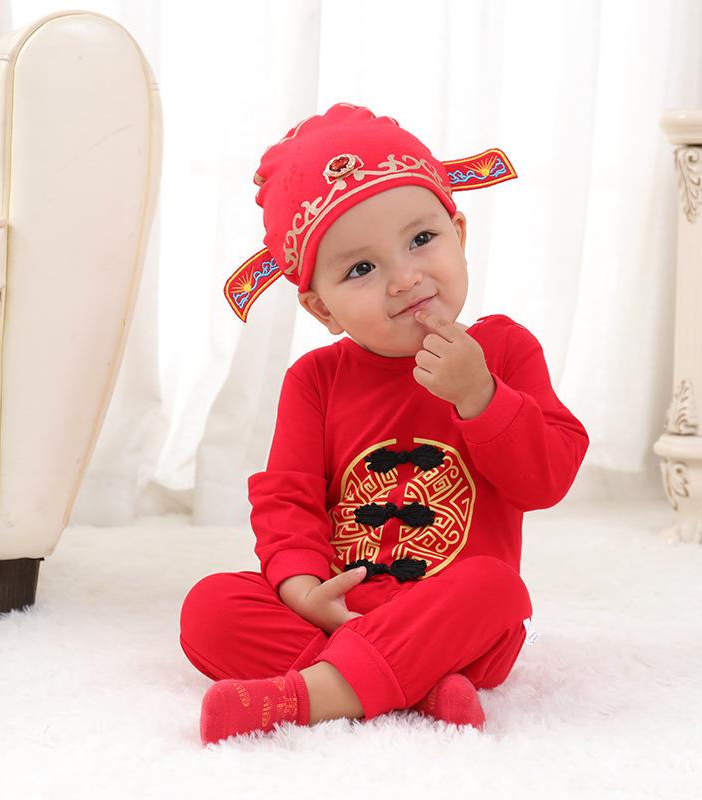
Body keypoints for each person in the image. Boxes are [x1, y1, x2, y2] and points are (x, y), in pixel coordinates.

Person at [180, 103, 589, 745]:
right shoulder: (315, 380)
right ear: (321, 309)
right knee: (209, 608)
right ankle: (416, 689)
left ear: (458, 232)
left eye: (421, 239)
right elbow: (287, 498)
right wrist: (303, 589)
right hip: (340, 609)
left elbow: (547, 480)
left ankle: (309, 696)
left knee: (498, 589)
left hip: (453, 619)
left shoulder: (504, 352)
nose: (405, 278)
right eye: (361, 269)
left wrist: (480, 397)